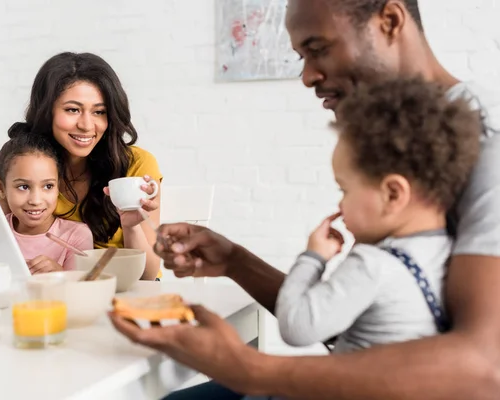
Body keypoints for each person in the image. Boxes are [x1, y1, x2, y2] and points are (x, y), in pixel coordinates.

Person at [110, 0, 500, 399]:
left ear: (390, 21)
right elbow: (368, 326)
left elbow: (485, 368)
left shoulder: (488, 141)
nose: (308, 76)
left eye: (319, 49)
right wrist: (234, 261)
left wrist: (252, 370)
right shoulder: (412, 136)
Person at [277, 77, 480, 353]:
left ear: (393, 194)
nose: (340, 205)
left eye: (344, 190)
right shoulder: (448, 251)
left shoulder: (371, 265)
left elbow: (295, 327)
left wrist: (313, 258)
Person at [0, 52, 163, 280]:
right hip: (55, 294)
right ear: (47, 111)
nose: (86, 125)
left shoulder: (137, 165)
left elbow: (149, 275)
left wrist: (132, 225)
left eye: (99, 112)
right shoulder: (24, 167)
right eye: (72, 110)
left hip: (126, 290)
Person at [0, 133, 93, 273]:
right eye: (23, 187)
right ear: (1, 187)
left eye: (48, 186)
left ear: (58, 186)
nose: (35, 200)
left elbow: (83, 289)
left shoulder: (76, 236)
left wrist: (59, 274)